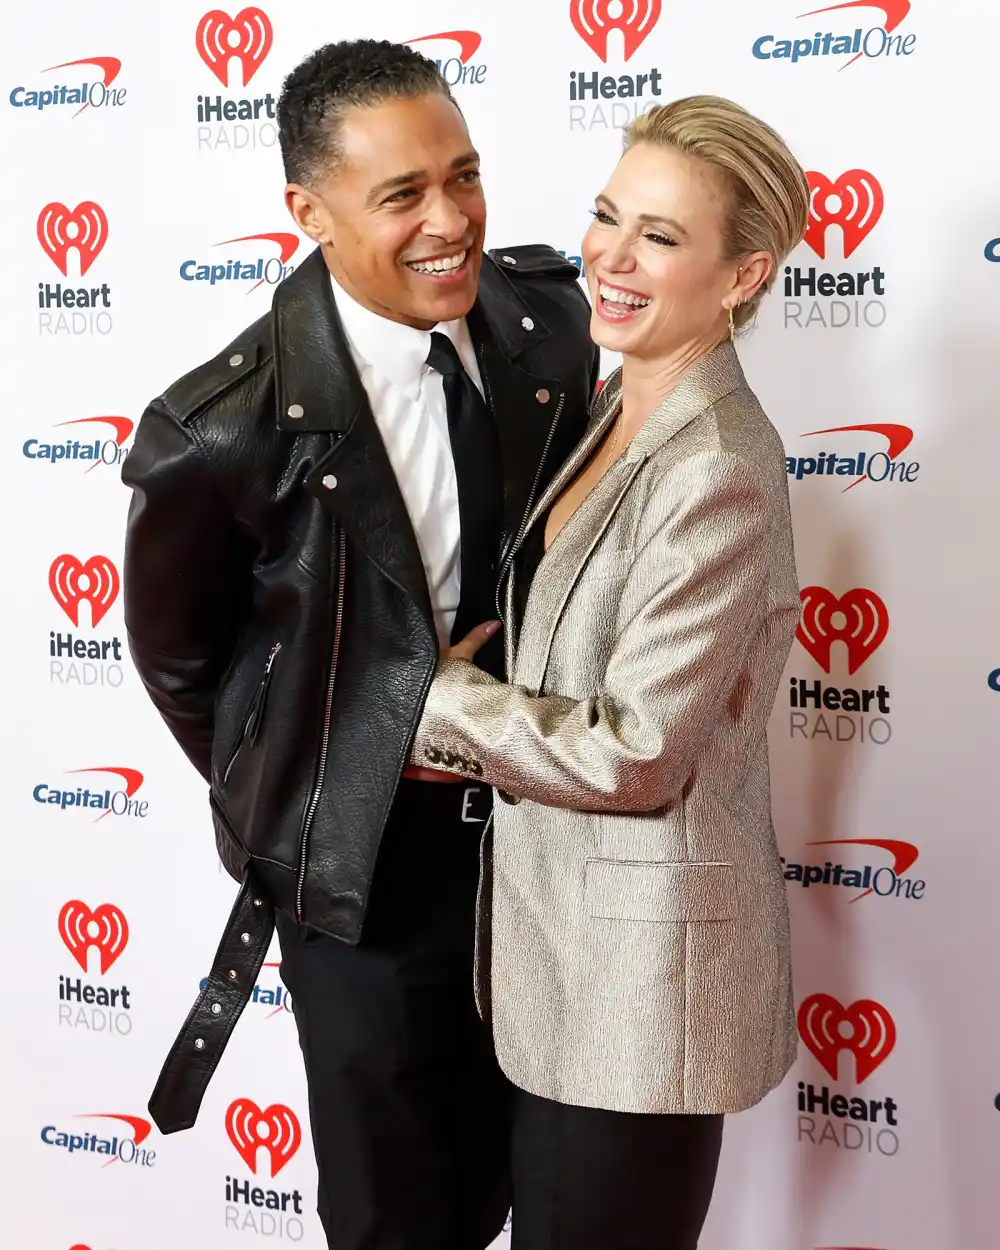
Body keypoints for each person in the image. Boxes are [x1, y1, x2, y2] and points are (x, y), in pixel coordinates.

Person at [121, 39, 597, 1250]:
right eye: (401, 195)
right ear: (309, 212)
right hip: (365, 872)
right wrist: (337, 769)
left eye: (464, 174)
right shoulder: (217, 425)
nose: (451, 221)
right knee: (397, 1213)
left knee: (529, 1184)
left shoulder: (550, 324)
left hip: (552, 843)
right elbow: (183, 664)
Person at [412, 95, 809, 1250]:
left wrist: (433, 696)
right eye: (605, 216)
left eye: (661, 237)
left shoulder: (719, 462)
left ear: (742, 276)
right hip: (552, 965)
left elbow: (634, 750)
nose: (610, 256)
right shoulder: (614, 405)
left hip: (643, 994)